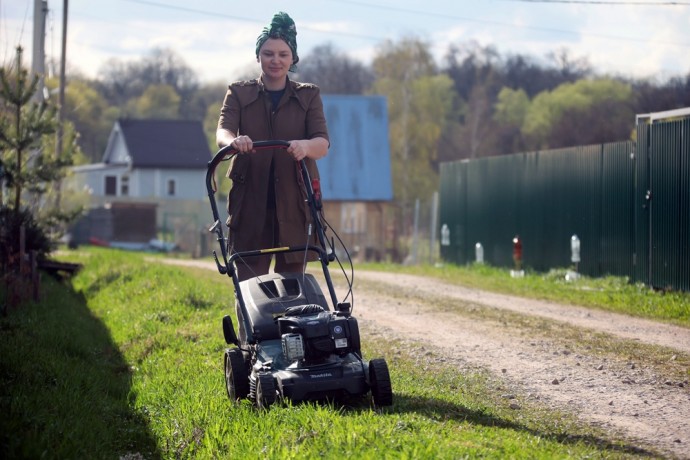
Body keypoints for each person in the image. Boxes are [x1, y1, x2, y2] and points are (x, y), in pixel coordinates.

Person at [216, 11, 329, 283]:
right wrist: (233, 141)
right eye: (268, 53)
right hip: (251, 202)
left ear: (292, 59)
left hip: (295, 202)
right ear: (258, 56)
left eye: (282, 54)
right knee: (249, 282)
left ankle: (289, 327)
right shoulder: (238, 93)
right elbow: (223, 130)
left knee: (292, 284)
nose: (275, 60)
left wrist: (304, 146)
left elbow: (322, 143)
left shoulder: (308, 95)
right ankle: (250, 326)